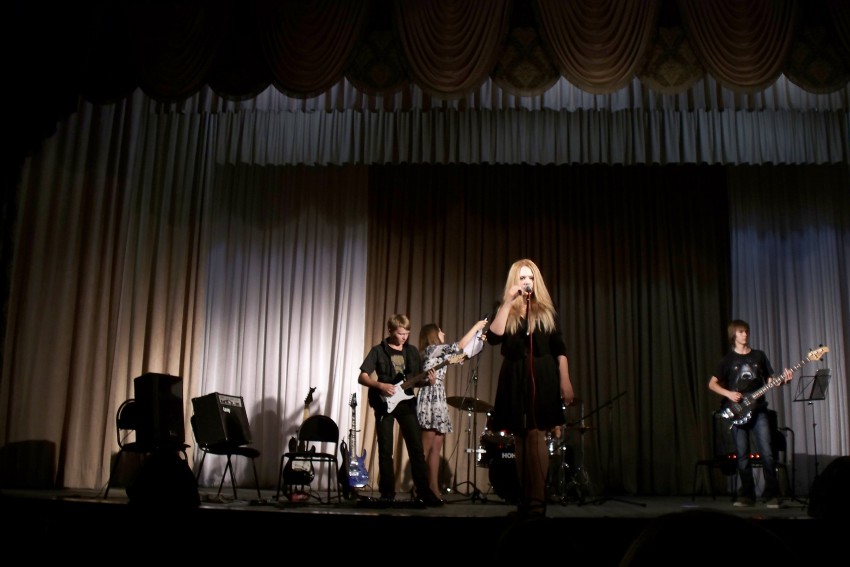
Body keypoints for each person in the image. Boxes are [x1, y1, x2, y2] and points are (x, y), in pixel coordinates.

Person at [485, 259, 574, 518]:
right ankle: (526, 499)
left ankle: (538, 500)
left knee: (536, 434)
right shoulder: (504, 307)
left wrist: (565, 379)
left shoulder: (546, 310)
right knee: (521, 436)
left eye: (530, 277)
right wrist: (508, 302)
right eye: (522, 278)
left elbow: (559, 348)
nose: (526, 282)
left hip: (542, 374)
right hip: (514, 374)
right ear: (514, 281)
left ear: (537, 281)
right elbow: (494, 337)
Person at [358, 314, 443, 507]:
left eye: (407, 333)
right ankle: (387, 493)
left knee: (416, 449)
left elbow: (415, 380)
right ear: (390, 331)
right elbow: (362, 377)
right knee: (385, 450)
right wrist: (380, 385)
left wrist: (428, 382)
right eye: (400, 333)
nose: (404, 337)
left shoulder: (411, 352)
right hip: (384, 403)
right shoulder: (378, 351)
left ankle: (424, 492)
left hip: (406, 403)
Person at [708, 319, 792, 508]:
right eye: (741, 331)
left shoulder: (759, 356)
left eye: (746, 331)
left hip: (759, 410)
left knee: (767, 453)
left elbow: (770, 380)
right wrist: (729, 393)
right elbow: (712, 384)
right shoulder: (727, 360)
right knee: (742, 455)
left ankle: (772, 496)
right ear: (733, 335)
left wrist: (783, 381)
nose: (745, 334)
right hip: (737, 411)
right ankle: (747, 495)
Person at [417, 319, 489, 502]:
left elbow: (461, 356)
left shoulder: (441, 354)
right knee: (424, 448)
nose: (444, 333)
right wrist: (476, 326)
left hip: (439, 397)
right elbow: (459, 346)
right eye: (440, 331)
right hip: (430, 397)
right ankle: (418, 488)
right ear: (433, 334)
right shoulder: (432, 350)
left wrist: (479, 341)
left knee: (437, 447)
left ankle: (434, 488)